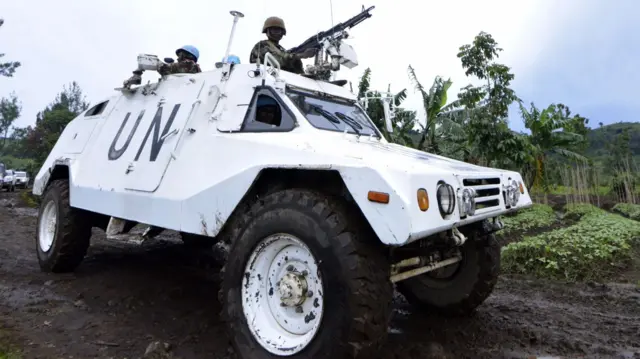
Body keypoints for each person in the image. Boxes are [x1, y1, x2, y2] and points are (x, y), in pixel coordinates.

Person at [249, 16, 316, 74]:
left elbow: (291, 61)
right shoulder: (261, 46)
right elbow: (277, 62)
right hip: (264, 80)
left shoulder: (281, 50)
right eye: (274, 30)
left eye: (279, 30)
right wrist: (301, 55)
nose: (277, 33)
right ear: (267, 31)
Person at [123, 45, 202, 88]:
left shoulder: (190, 65)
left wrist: (153, 61)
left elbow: (164, 69)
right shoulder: (188, 67)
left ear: (188, 55)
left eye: (180, 54)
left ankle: (135, 79)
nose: (178, 58)